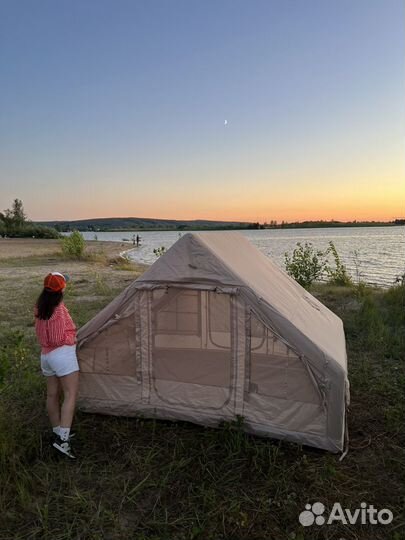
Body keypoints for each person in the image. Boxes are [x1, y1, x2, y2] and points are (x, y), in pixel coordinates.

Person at [34, 272, 79, 459]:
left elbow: (45, 337)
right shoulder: (58, 308)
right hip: (62, 355)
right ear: (62, 289)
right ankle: (63, 441)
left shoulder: (39, 306)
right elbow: (59, 338)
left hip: (46, 356)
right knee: (70, 394)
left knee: (52, 394)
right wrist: (74, 337)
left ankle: (58, 432)